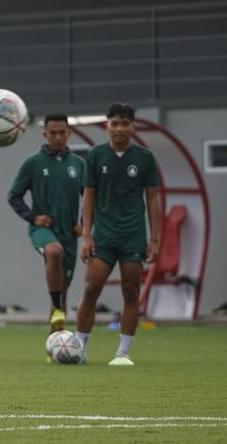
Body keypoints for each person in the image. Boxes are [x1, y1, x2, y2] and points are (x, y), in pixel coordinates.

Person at [75, 102, 160, 366]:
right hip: (104, 236)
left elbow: (153, 200)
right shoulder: (95, 155)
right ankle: (79, 348)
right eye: (115, 123)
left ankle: (123, 352)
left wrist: (154, 239)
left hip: (133, 236)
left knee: (131, 292)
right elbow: (89, 197)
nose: (120, 129)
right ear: (107, 126)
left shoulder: (145, 158)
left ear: (133, 126)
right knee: (91, 288)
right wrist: (87, 235)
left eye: (125, 123)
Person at [8, 112, 84, 342]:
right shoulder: (33, 163)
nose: (58, 137)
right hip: (43, 230)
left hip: (69, 233)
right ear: (45, 134)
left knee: (64, 289)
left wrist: (83, 224)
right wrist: (32, 218)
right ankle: (56, 305)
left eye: (62, 132)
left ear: (69, 133)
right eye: (53, 133)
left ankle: (55, 343)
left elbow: (92, 199)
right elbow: (14, 196)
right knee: (53, 252)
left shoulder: (79, 164)